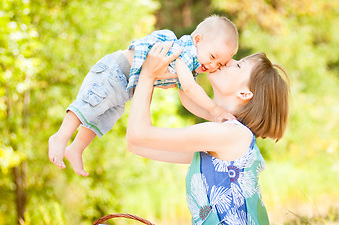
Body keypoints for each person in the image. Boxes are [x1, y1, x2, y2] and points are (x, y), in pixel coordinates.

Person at [48, 15, 238, 176]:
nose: (212, 66)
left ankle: (76, 148)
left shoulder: (190, 66)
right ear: (197, 40)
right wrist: (214, 109)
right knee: (89, 105)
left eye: (219, 64)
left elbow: (187, 99)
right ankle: (60, 136)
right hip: (114, 72)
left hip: (124, 88)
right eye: (213, 57)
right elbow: (189, 88)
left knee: (100, 118)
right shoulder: (185, 52)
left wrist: (213, 117)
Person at [126, 42, 289, 224]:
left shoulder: (230, 135)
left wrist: (147, 75)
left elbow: (137, 135)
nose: (228, 61)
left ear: (244, 93)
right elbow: (136, 144)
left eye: (239, 65)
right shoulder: (217, 145)